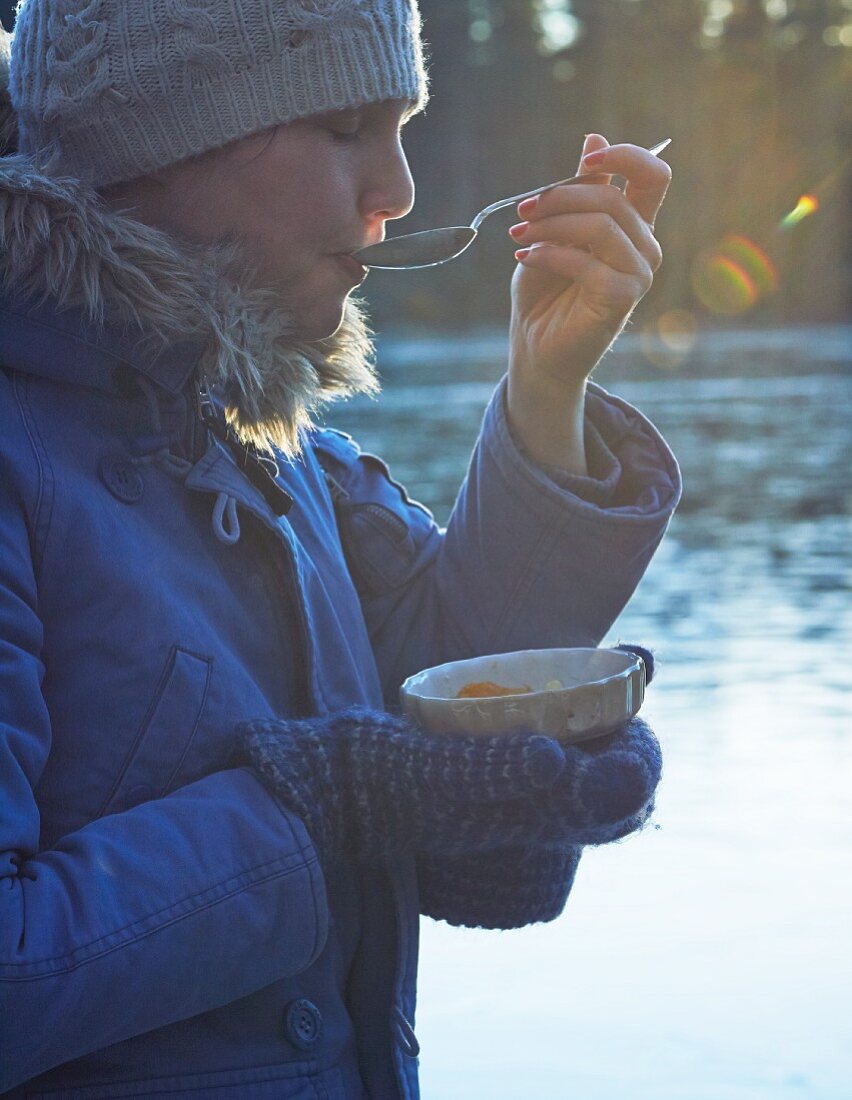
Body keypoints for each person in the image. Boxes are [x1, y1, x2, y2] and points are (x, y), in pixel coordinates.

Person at [0, 2, 681, 1096]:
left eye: (405, 126)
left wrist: (546, 385)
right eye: (347, 126)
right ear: (167, 131)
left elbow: (449, 674)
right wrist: (334, 807)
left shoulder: (277, 445)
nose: (400, 191)